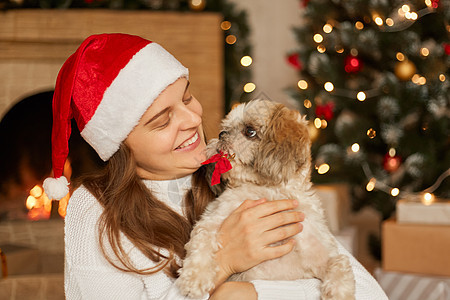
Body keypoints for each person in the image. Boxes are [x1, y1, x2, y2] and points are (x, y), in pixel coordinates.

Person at [43, 33, 388, 299]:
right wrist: (223, 264)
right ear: (120, 146)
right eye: (163, 121)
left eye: (187, 97)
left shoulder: (237, 174)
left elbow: (368, 293)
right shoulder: (96, 209)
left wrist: (249, 292)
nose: (193, 119)